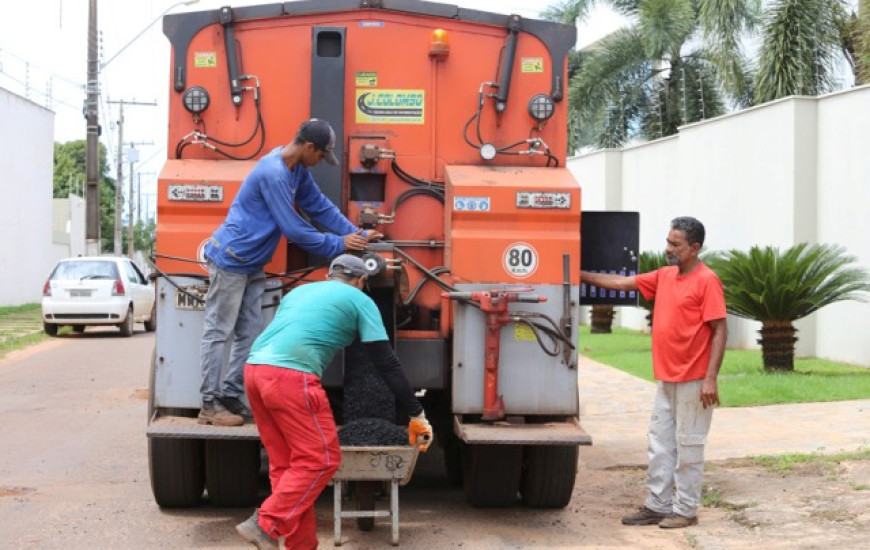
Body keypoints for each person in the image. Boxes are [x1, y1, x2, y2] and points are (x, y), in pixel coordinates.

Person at [234, 254, 432, 550]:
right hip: (292, 377)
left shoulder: (299, 292)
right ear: (361, 280)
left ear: (329, 275)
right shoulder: (359, 299)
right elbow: (386, 362)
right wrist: (416, 413)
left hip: (255, 371)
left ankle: (301, 546)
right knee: (321, 459)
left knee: (288, 468)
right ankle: (267, 524)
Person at [197, 119, 382, 427]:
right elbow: (294, 228)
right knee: (219, 332)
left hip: (252, 262)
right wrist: (339, 243)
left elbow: (319, 207)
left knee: (250, 333)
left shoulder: (297, 170)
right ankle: (208, 404)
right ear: (309, 147)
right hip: (231, 258)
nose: (321, 161)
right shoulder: (273, 173)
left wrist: (355, 234)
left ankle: (230, 396)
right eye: (321, 155)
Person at [580, 216, 727, 529]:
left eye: (676, 244)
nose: (668, 248)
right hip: (666, 379)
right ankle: (656, 505)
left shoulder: (707, 280)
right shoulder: (664, 276)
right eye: (668, 242)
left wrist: (710, 379)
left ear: (695, 248)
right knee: (659, 444)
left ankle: (686, 510)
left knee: (689, 446)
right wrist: (578, 275)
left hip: (694, 380)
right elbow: (621, 283)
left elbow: (720, 329)